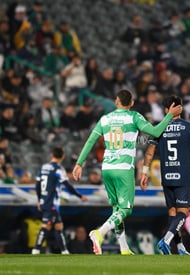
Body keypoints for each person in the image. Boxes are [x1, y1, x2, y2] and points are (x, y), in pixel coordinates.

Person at [72, 89, 182, 255]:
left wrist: (79, 163)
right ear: (131, 103)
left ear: (116, 102)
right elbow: (156, 132)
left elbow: (90, 141)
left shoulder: (105, 119)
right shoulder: (134, 117)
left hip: (107, 168)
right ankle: (99, 233)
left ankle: (124, 248)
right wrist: (169, 116)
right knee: (126, 209)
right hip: (123, 168)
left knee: (117, 209)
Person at [139, 95, 190, 255]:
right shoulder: (189, 127)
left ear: (166, 110)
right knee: (183, 212)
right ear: (180, 108)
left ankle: (179, 247)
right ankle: (166, 240)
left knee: (173, 212)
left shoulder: (159, 128)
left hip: (166, 175)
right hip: (182, 175)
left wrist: (144, 172)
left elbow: (149, 153)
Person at [32, 147, 87, 255]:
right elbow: (67, 184)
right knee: (46, 226)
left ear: (52, 155)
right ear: (62, 157)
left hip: (44, 201)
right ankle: (36, 249)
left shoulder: (44, 167)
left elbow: (37, 185)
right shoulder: (58, 169)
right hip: (52, 202)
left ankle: (64, 251)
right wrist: (79, 196)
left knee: (58, 226)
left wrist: (39, 200)